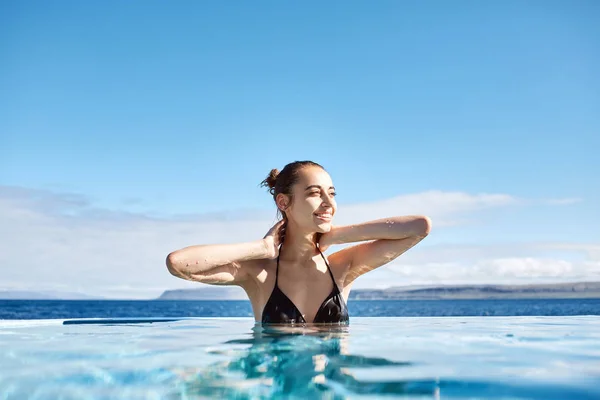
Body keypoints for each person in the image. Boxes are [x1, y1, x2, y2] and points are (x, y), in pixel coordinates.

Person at [166, 161, 431, 324]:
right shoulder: (259, 272)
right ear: (284, 202)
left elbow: (419, 227)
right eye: (315, 193)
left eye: (332, 193)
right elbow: (179, 264)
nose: (328, 202)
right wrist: (261, 248)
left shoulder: (343, 266)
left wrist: (338, 235)